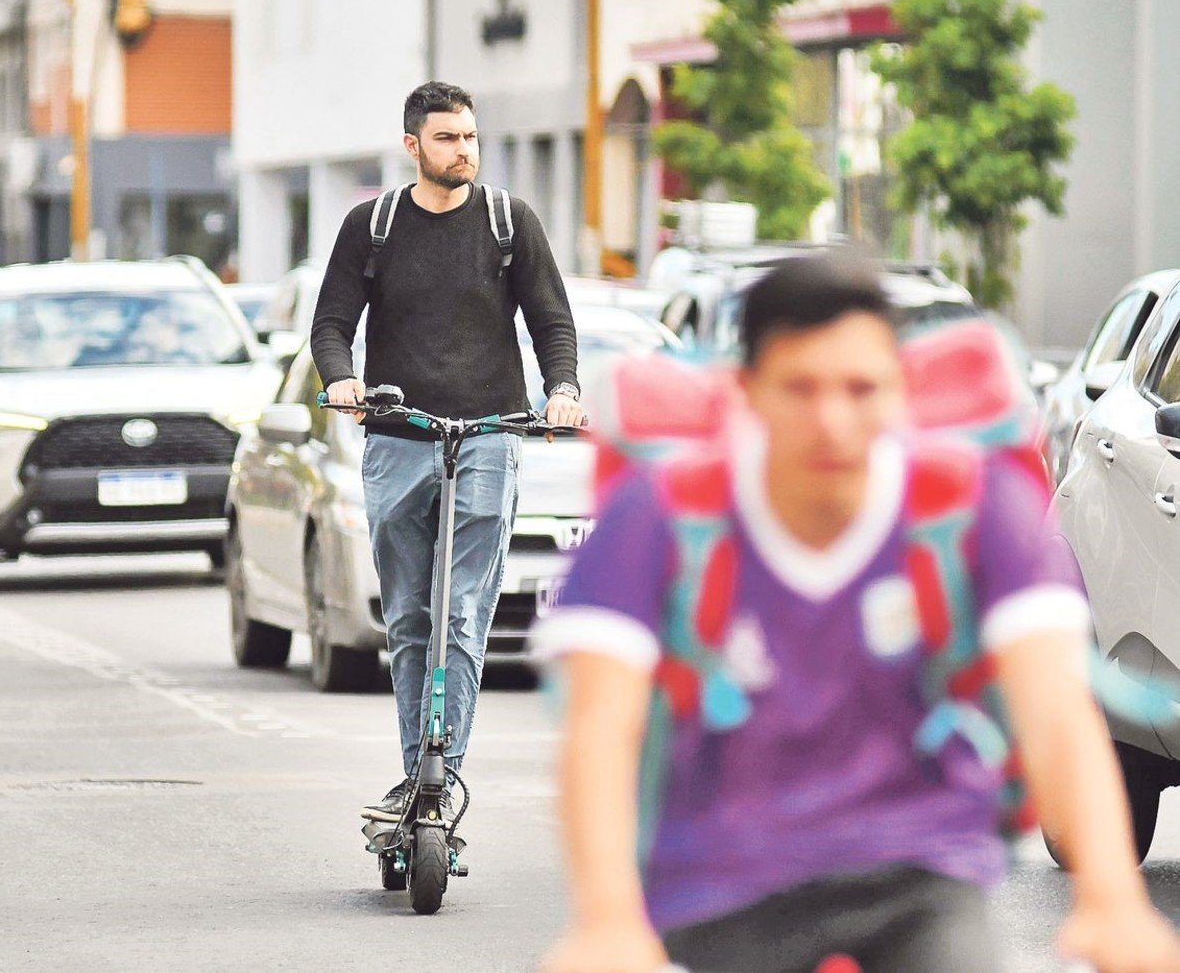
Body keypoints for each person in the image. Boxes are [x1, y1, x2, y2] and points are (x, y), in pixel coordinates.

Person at [535, 255, 1180, 973]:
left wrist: (1114, 901)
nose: (832, 420)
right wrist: (605, 920)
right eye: (800, 388)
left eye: (860, 388)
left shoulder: (967, 507)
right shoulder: (662, 512)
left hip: (917, 873)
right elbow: (600, 725)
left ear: (898, 391)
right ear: (745, 391)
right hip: (723, 873)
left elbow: (1056, 707)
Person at [312, 80, 585, 823]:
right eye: (446, 139)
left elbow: (551, 323)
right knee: (407, 617)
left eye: (468, 137)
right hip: (399, 440)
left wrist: (560, 388)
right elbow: (331, 325)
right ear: (412, 146)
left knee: (462, 613)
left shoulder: (508, 223)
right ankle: (413, 772)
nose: (462, 150)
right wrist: (343, 381)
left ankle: (438, 781)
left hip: (490, 435)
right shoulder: (371, 226)